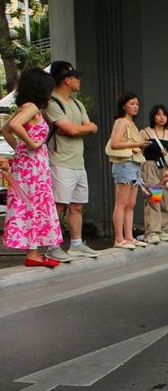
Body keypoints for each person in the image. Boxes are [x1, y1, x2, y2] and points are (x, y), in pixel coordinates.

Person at [0, 67, 63, 267]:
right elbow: (14, 126)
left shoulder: (25, 106)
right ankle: (33, 254)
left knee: (29, 204)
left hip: (27, 164)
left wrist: (21, 148)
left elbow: (5, 130)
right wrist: (31, 144)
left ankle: (33, 252)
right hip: (33, 167)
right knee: (34, 203)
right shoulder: (32, 108)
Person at [44, 61, 100, 261]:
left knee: (77, 205)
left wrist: (76, 129)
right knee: (58, 206)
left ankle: (76, 244)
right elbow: (76, 129)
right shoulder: (51, 102)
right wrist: (78, 129)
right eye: (76, 77)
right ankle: (52, 246)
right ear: (67, 80)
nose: (79, 81)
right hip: (59, 162)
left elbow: (91, 127)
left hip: (78, 162)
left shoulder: (77, 104)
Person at [107, 92, 150, 249]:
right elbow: (115, 143)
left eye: (137, 104)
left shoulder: (131, 123)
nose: (136, 106)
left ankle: (129, 237)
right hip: (124, 164)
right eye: (132, 103)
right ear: (123, 105)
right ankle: (119, 238)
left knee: (131, 203)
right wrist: (136, 144)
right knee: (122, 203)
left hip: (133, 164)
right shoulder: (121, 122)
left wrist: (139, 145)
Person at [139, 105, 168, 244]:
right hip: (150, 167)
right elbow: (137, 150)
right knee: (154, 198)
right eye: (158, 114)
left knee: (166, 200)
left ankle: (163, 230)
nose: (161, 117)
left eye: (164, 115)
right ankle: (152, 232)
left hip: (165, 169)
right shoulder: (145, 132)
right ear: (153, 116)